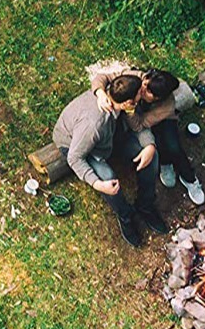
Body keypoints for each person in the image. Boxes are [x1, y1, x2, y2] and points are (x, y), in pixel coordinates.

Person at [52, 72, 165, 246]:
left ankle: (145, 205)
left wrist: (150, 145)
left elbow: (137, 124)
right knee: (108, 179)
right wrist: (97, 184)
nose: (142, 95)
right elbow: (75, 158)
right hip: (79, 146)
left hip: (110, 137)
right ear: (128, 103)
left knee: (152, 156)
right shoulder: (94, 125)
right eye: (138, 96)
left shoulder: (121, 97)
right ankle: (126, 216)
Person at [136, 69, 205, 205]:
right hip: (142, 120)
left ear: (158, 98)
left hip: (158, 118)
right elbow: (105, 78)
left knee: (173, 145)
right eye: (145, 84)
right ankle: (165, 163)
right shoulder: (139, 80)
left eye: (148, 91)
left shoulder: (167, 105)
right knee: (158, 142)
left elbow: (142, 123)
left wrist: (130, 110)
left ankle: (189, 178)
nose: (143, 89)